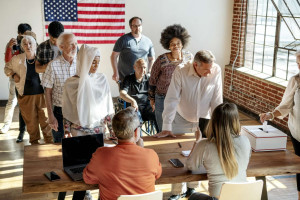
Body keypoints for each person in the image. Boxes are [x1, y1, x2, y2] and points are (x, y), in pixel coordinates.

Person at [153, 50, 223, 200]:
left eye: (211, 67)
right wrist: (167, 126)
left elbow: (217, 99)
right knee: (178, 155)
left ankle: (193, 188)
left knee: (200, 154)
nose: (209, 71)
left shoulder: (215, 70)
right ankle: (177, 191)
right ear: (195, 65)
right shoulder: (181, 71)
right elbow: (171, 99)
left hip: (205, 118)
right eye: (206, 69)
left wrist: (218, 125)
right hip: (182, 117)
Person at [83, 107, 162, 200]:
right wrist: (141, 150)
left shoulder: (101, 154)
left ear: (115, 133)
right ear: (136, 132)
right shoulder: (151, 155)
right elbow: (157, 175)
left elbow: (88, 178)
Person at [187, 103, 251, 200]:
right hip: (244, 197)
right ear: (235, 121)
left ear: (213, 121)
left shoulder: (204, 145)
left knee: (193, 197)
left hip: (218, 198)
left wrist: (197, 141)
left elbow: (190, 166)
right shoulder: (245, 141)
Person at [260, 50, 300, 199]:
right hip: (298, 134)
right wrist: (270, 115)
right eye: (298, 63)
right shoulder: (295, 80)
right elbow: (285, 106)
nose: (299, 67)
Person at [4, 35, 53, 144]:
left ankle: (49, 144)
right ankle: (34, 144)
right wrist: (13, 75)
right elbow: (6, 68)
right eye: (25, 44)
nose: (28, 46)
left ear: (35, 45)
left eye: (30, 43)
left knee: (46, 122)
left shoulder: (41, 58)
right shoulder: (17, 59)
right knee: (31, 124)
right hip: (25, 96)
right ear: (22, 46)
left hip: (42, 96)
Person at [62, 44, 114, 138]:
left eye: (98, 62)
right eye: (93, 62)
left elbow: (108, 107)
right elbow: (67, 109)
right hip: (78, 132)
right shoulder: (70, 83)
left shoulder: (101, 80)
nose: (96, 65)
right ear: (84, 61)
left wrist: (112, 129)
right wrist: (67, 130)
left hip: (99, 131)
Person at [149, 24, 193, 132]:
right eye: (172, 44)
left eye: (178, 43)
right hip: (162, 98)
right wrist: (151, 99)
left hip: (182, 98)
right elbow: (152, 80)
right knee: (162, 129)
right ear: (168, 46)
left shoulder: (189, 57)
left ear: (182, 44)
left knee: (178, 128)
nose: (175, 46)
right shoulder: (161, 59)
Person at [42, 33, 77, 143]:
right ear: (61, 47)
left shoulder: (82, 63)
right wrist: (50, 115)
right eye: (71, 44)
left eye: (76, 43)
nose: (75, 47)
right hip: (59, 111)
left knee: (78, 143)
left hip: (78, 110)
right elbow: (47, 92)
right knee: (59, 143)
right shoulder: (53, 65)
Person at [1, 23, 31, 143]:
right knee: (12, 101)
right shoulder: (13, 44)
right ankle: (6, 125)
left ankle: (29, 129)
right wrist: (9, 47)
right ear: (18, 34)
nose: (25, 37)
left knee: (28, 104)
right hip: (15, 77)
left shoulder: (31, 42)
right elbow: (7, 62)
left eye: (28, 34)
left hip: (28, 78)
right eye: (23, 34)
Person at [111, 16, 155, 82]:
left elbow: (151, 59)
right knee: (124, 92)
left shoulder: (148, 41)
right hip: (124, 78)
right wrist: (115, 72)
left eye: (139, 25)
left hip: (142, 79)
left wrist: (149, 72)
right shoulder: (123, 39)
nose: (137, 28)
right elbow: (113, 56)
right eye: (135, 26)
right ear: (131, 26)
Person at [120, 58, 158, 132]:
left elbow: (155, 92)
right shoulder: (128, 78)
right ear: (134, 67)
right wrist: (132, 101)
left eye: (144, 67)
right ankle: (138, 139)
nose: (142, 70)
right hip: (134, 108)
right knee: (136, 118)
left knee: (158, 114)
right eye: (140, 67)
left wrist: (155, 101)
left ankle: (161, 136)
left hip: (147, 107)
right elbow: (122, 93)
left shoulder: (149, 79)